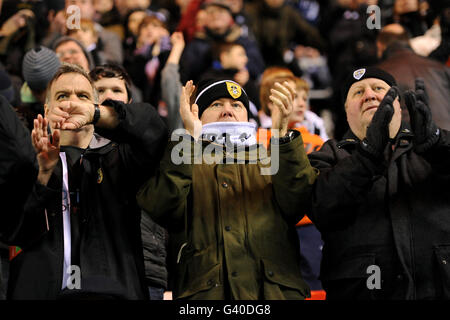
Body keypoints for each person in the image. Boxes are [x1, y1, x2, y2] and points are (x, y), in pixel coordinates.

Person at [137, 78, 318, 299]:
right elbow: (160, 205)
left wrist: (281, 134)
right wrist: (190, 139)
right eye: (216, 104)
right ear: (198, 115)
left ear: (247, 116)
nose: (227, 110)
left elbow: (300, 202)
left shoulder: (273, 157)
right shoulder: (182, 156)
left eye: (236, 105)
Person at [6, 63, 167, 299]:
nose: (73, 103)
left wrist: (97, 113)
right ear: (47, 108)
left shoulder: (120, 159)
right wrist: (42, 175)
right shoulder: (26, 162)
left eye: (82, 96)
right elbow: (13, 233)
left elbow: (154, 130)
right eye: (63, 96)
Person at [308, 66, 450, 299]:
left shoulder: (431, 145)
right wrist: (367, 156)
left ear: (397, 104)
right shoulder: (329, 154)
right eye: (358, 92)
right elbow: (322, 205)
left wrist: (437, 145)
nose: (370, 95)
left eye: (378, 89)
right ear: (345, 111)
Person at [89, 64, 169, 300]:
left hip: (143, 270)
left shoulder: (142, 146)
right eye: (100, 90)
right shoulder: (71, 147)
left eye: (116, 90)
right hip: (84, 273)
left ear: (129, 102)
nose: (109, 96)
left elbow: (151, 125)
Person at [376, 23, 450, 131]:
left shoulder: (379, 75)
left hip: (410, 143)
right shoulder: (440, 68)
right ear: (408, 42)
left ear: (380, 45)